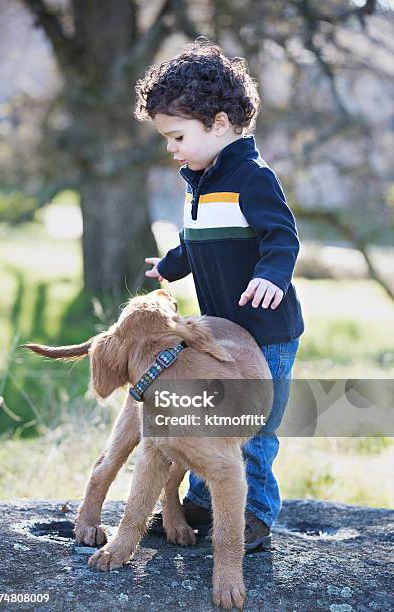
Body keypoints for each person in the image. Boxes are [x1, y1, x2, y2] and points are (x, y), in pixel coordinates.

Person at [134, 37, 304, 551]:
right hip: (218, 336)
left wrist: (271, 277)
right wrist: (168, 265)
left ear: (222, 122)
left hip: (266, 331)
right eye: (166, 137)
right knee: (210, 416)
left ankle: (252, 513)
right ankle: (205, 500)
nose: (172, 148)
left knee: (254, 427)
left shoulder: (253, 179)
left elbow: (283, 237)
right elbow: (194, 243)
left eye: (178, 135)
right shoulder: (197, 185)